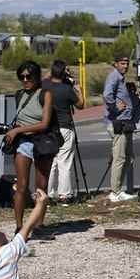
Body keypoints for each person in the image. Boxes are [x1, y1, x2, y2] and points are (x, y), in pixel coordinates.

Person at [2, 61, 57, 232]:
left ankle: (39, 225)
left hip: (41, 142)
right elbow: (20, 119)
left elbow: (44, 124)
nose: (25, 80)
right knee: (21, 186)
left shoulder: (45, 93)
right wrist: (14, 130)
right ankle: (19, 227)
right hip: (23, 143)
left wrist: (19, 130)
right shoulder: (19, 94)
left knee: (41, 186)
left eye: (29, 76)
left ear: (37, 76)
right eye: (22, 77)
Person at [44, 60, 85, 206]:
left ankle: (47, 194)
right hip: (65, 127)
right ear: (63, 73)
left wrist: (54, 72)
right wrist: (78, 89)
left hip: (49, 127)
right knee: (64, 162)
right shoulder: (66, 89)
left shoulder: (45, 87)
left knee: (51, 162)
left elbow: (44, 78)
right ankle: (64, 195)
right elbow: (80, 105)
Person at [103, 55, 136, 202]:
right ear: (115, 64)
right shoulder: (114, 77)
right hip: (118, 123)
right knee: (120, 158)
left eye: (127, 63)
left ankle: (119, 190)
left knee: (128, 157)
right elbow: (106, 95)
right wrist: (115, 107)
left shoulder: (120, 78)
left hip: (125, 123)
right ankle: (114, 192)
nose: (125, 66)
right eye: (122, 63)